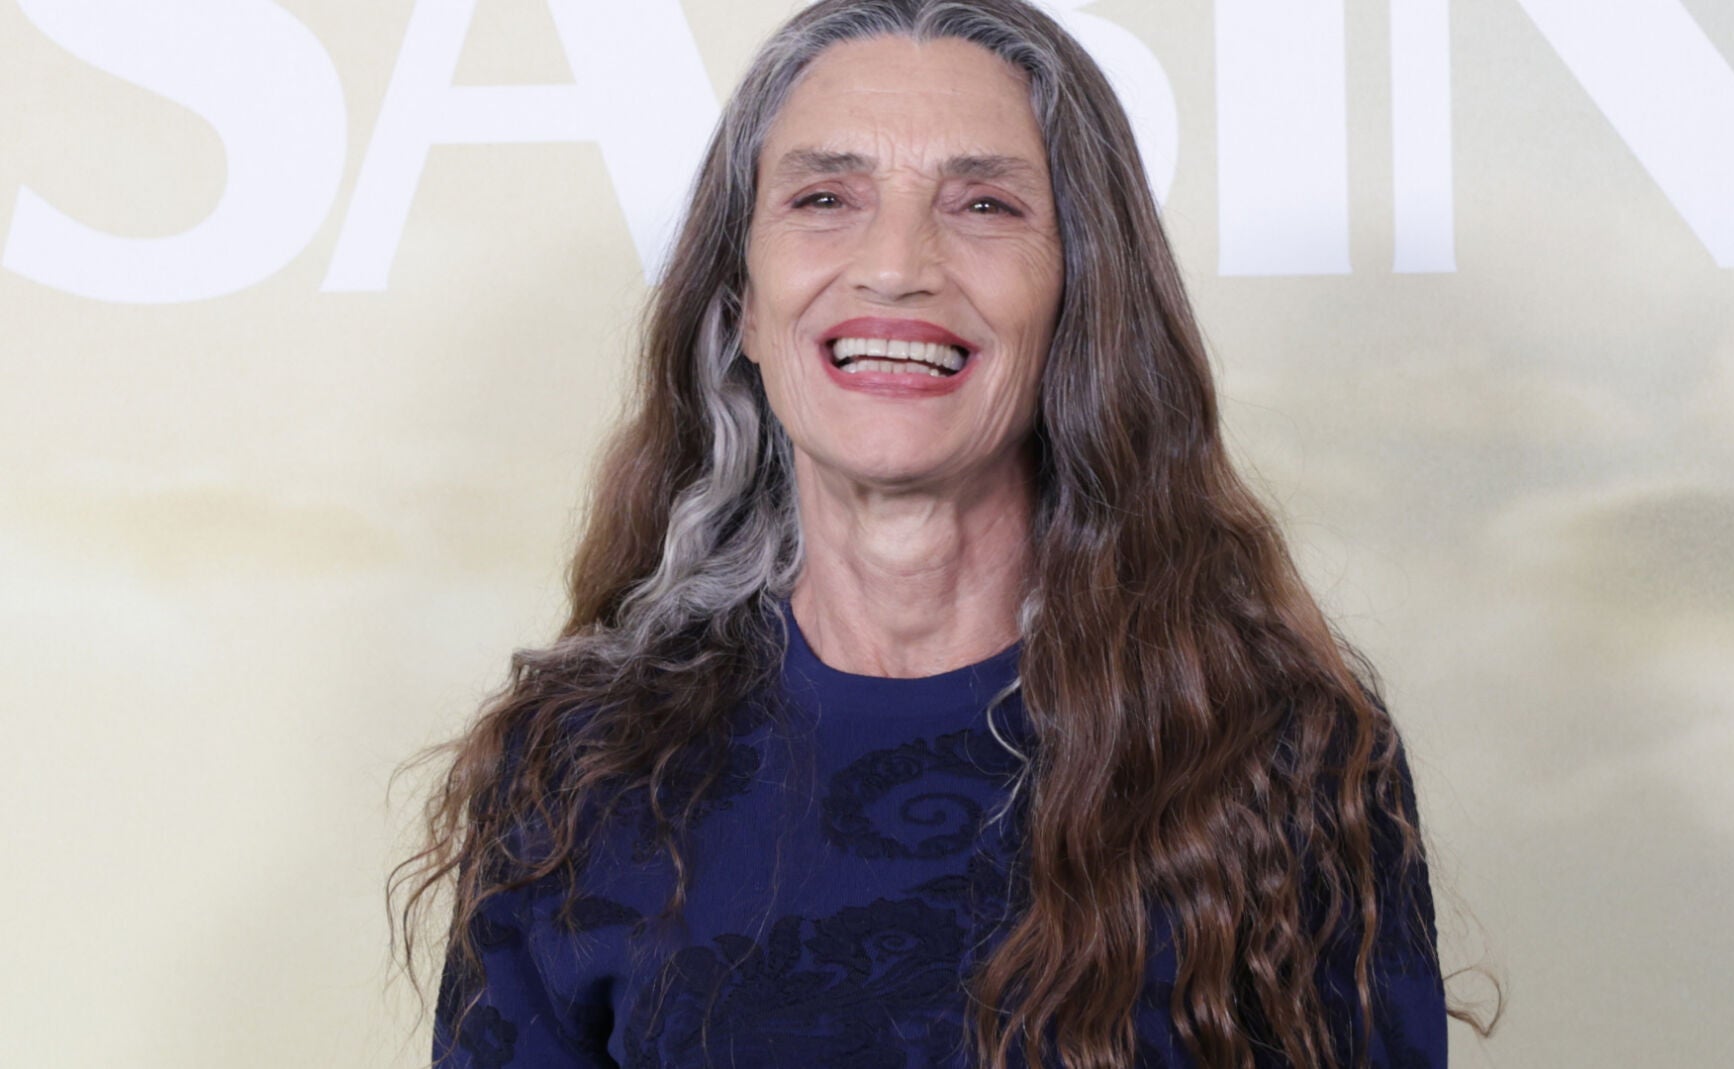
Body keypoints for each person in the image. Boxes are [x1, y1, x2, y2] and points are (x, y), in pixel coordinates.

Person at [392, 1, 1463, 1066]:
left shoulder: (1281, 750)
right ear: (743, 304)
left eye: (984, 205)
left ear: (1079, 294)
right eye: (824, 198)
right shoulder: (580, 769)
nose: (897, 264)